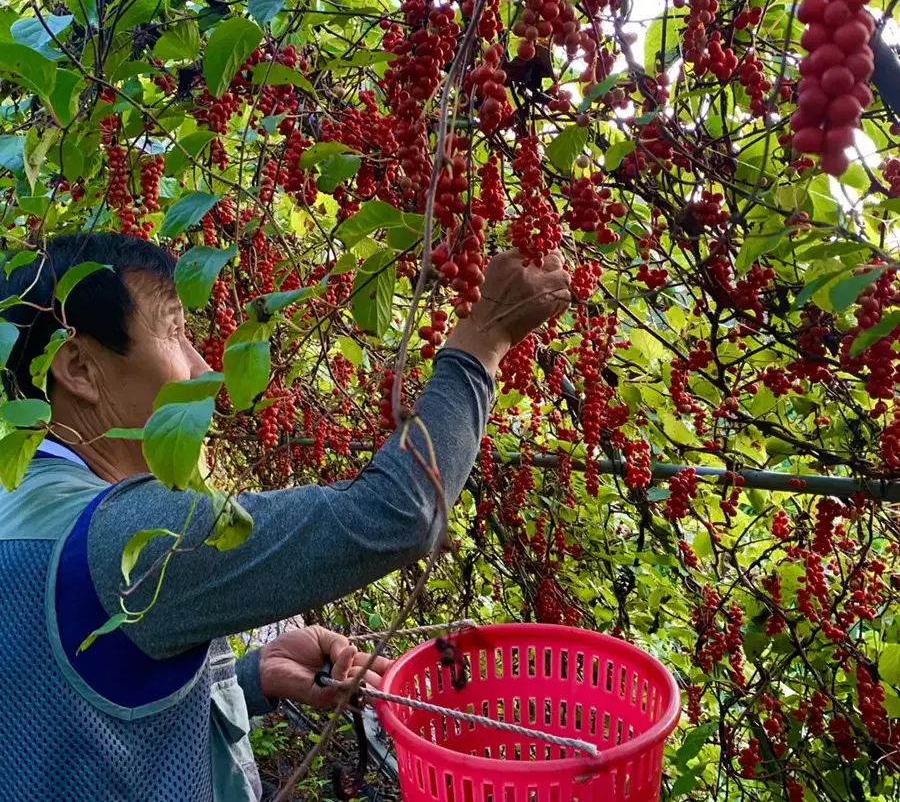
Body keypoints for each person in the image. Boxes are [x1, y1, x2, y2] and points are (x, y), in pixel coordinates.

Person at [0, 232, 570, 801]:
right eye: (174, 330)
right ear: (76, 367)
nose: (203, 365)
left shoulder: (19, 503)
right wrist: (483, 339)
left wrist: (252, 677)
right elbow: (397, 514)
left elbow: (63, 707)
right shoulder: (122, 536)